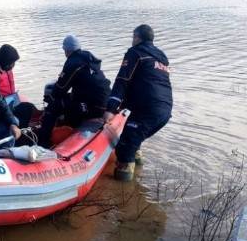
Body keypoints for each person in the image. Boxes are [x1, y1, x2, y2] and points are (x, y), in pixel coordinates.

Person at [103, 24, 172, 182]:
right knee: (134, 140)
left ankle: (123, 192)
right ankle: (139, 170)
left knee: (124, 148)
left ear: (137, 37)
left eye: (133, 37)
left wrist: (110, 109)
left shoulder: (135, 53)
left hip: (147, 109)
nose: (132, 40)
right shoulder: (161, 56)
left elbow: (122, 81)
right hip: (165, 110)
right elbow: (148, 83)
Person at [38, 35, 111, 148]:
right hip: (105, 101)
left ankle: (43, 142)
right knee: (68, 100)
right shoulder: (89, 58)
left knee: (54, 105)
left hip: (93, 106)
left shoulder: (72, 63)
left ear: (66, 50)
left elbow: (60, 88)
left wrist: (50, 98)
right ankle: (70, 127)